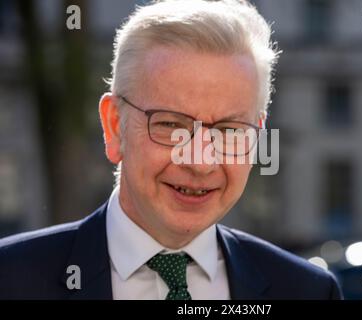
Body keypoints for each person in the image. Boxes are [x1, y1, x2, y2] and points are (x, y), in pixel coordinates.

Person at [0, 0, 342, 300]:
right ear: (114, 126)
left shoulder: (307, 290)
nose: (200, 162)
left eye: (228, 131)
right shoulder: (11, 279)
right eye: (171, 125)